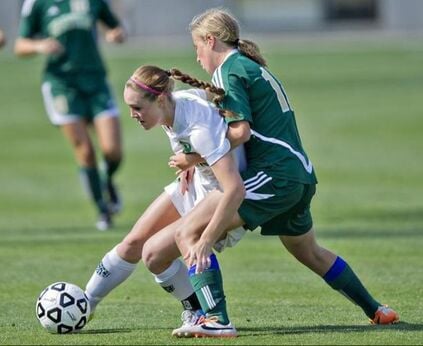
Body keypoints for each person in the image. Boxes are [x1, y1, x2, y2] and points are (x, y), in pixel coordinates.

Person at [140, 7, 400, 338]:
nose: (197, 55)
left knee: (189, 234)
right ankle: (377, 310)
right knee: (309, 252)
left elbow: (241, 132)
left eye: (196, 46)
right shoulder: (249, 66)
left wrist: (193, 158)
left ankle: (217, 319)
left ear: (210, 40)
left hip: (275, 175)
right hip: (299, 173)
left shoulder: (228, 71)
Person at [84, 64, 246, 337]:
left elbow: (232, 185)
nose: (132, 115)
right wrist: (194, 163)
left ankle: (208, 315)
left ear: (159, 99)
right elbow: (213, 101)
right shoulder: (173, 105)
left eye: (137, 108)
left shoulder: (197, 128)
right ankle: (85, 303)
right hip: (196, 182)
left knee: (153, 255)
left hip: (219, 196)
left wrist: (195, 159)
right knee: (133, 242)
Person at [14, 0, 126, 230]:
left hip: (95, 81)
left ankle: (107, 181)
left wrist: (116, 34)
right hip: (61, 85)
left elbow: (115, 27)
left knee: (112, 151)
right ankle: (102, 210)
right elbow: (20, 45)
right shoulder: (37, 4)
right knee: (85, 151)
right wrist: (39, 46)